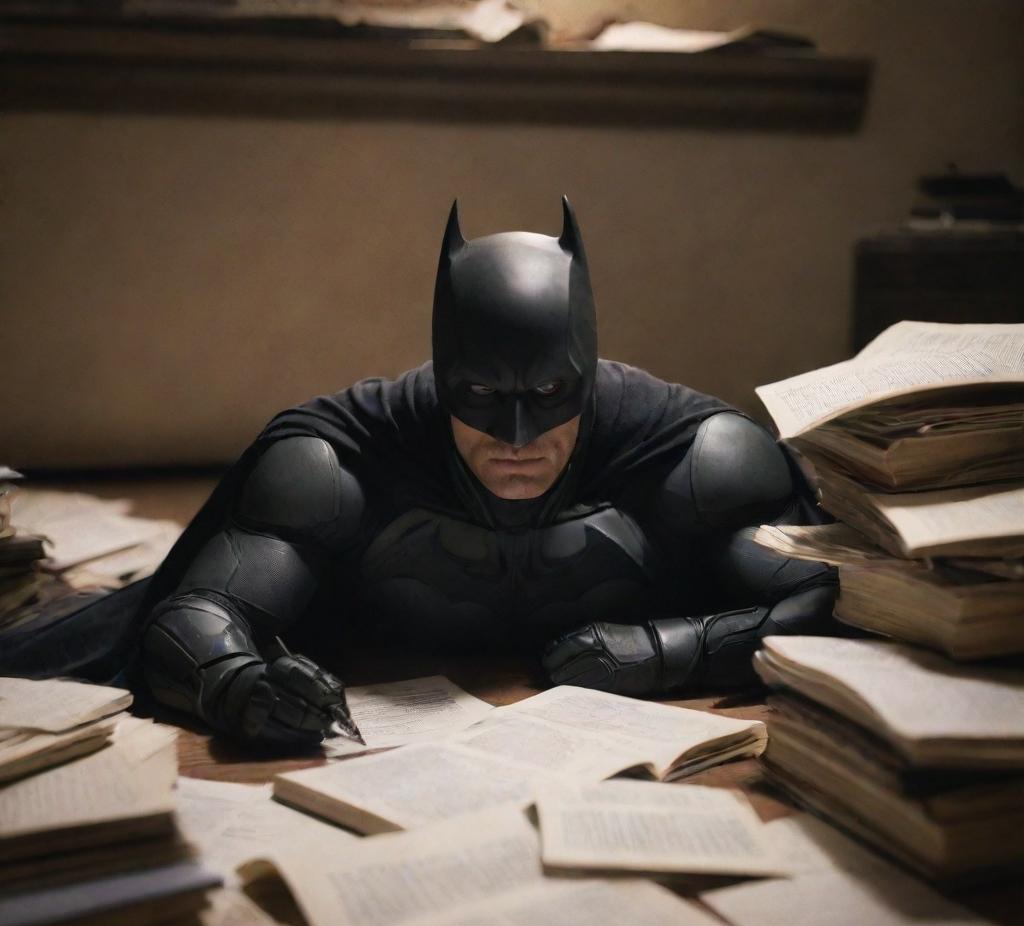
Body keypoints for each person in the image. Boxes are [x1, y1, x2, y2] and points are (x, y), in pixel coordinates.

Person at [134, 197, 836, 746]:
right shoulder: (336, 464)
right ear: (446, 376)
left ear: (585, 375)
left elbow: (830, 600)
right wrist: (239, 689)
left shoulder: (693, 457)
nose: (518, 438)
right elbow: (196, 613)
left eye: (550, 397)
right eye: (480, 397)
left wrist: (664, 654)